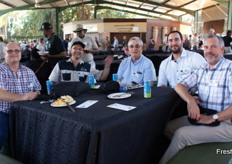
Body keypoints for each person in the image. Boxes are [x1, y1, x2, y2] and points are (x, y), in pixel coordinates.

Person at [159, 35, 232, 164]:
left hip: (227, 123)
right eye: (206, 47)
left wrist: (213, 117)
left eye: (213, 47)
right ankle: (188, 156)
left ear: (222, 49)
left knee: (182, 135)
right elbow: (179, 85)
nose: (209, 51)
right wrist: (190, 101)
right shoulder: (202, 69)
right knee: (168, 127)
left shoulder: (229, 69)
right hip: (204, 115)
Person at [0, 42, 41, 149]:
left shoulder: (29, 72)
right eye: (10, 51)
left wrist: (35, 94)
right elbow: (1, 93)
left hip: (26, 113)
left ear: (21, 53)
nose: (14, 53)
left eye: (17, 50)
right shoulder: (1, 71)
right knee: (1, 136)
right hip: (4, 113)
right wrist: (24, 97)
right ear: (4, 54)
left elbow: (38, 90)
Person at [49, 41, 113, 83]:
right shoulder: (60, 64)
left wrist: (107, 65)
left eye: (80, 49)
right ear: (71, 50)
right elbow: (52, 81)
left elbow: (102, 78)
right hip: (65, 97)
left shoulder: (88, 66)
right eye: (75, 48)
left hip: (82, 97)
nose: (77, 51)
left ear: (83, 52)